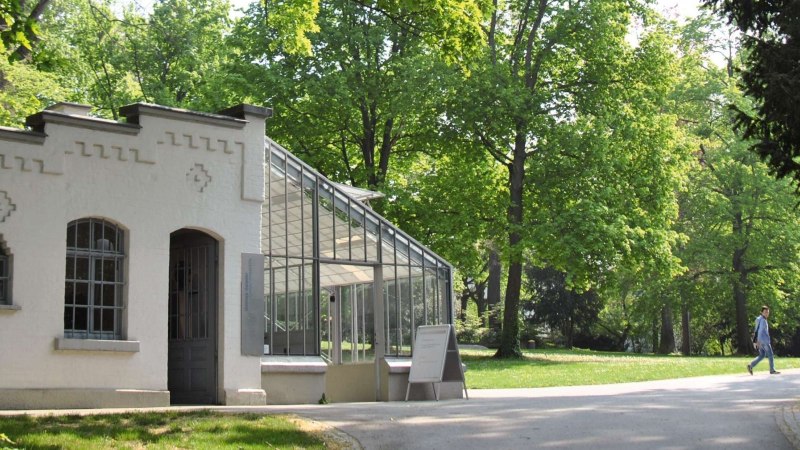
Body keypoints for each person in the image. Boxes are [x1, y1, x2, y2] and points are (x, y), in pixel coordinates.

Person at [747, 305, 780, 375]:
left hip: (759, 340)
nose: (767, 314)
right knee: (770, 355)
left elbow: (756, 330)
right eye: (765, 312)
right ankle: (772, 370)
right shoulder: (763, 320)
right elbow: (760, 331)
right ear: (761, 312)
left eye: (768, 312)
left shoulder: (758, 319)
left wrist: (755, 341)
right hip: (764, 341)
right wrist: (758, 341)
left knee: (762, 355)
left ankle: (751, 365)